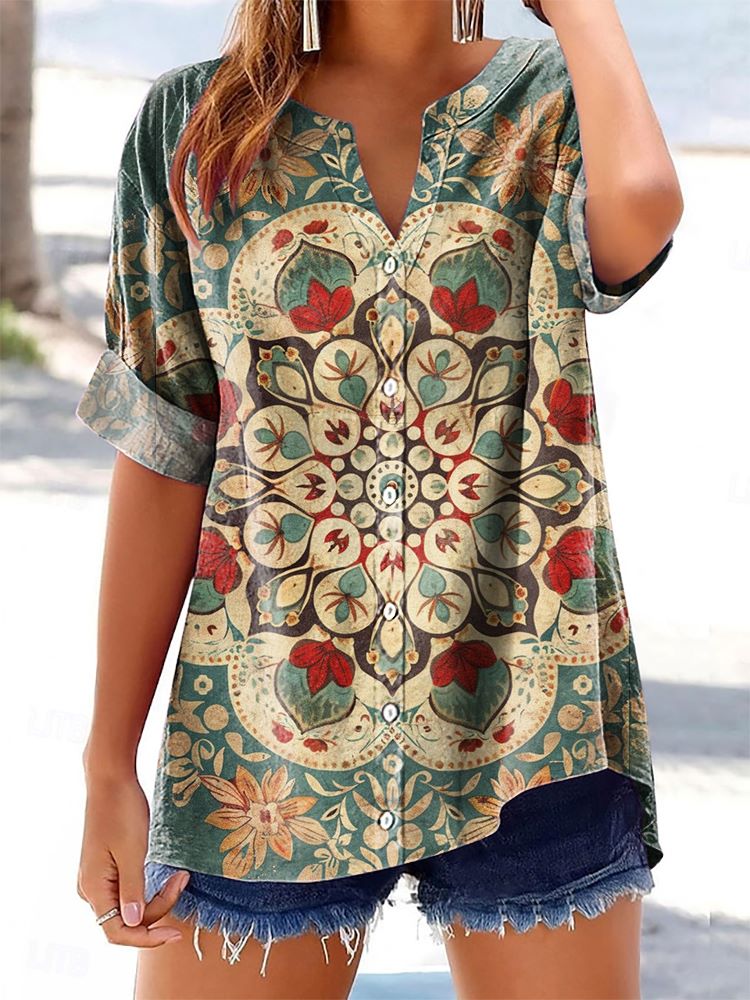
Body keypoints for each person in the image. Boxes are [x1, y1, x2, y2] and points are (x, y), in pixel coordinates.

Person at [74, 0, 683, 997]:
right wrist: (109, 761)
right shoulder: (193, 127)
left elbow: (642, 213)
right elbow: (164, 444)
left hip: (535, 724)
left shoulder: (555, 102)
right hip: (262, 742)